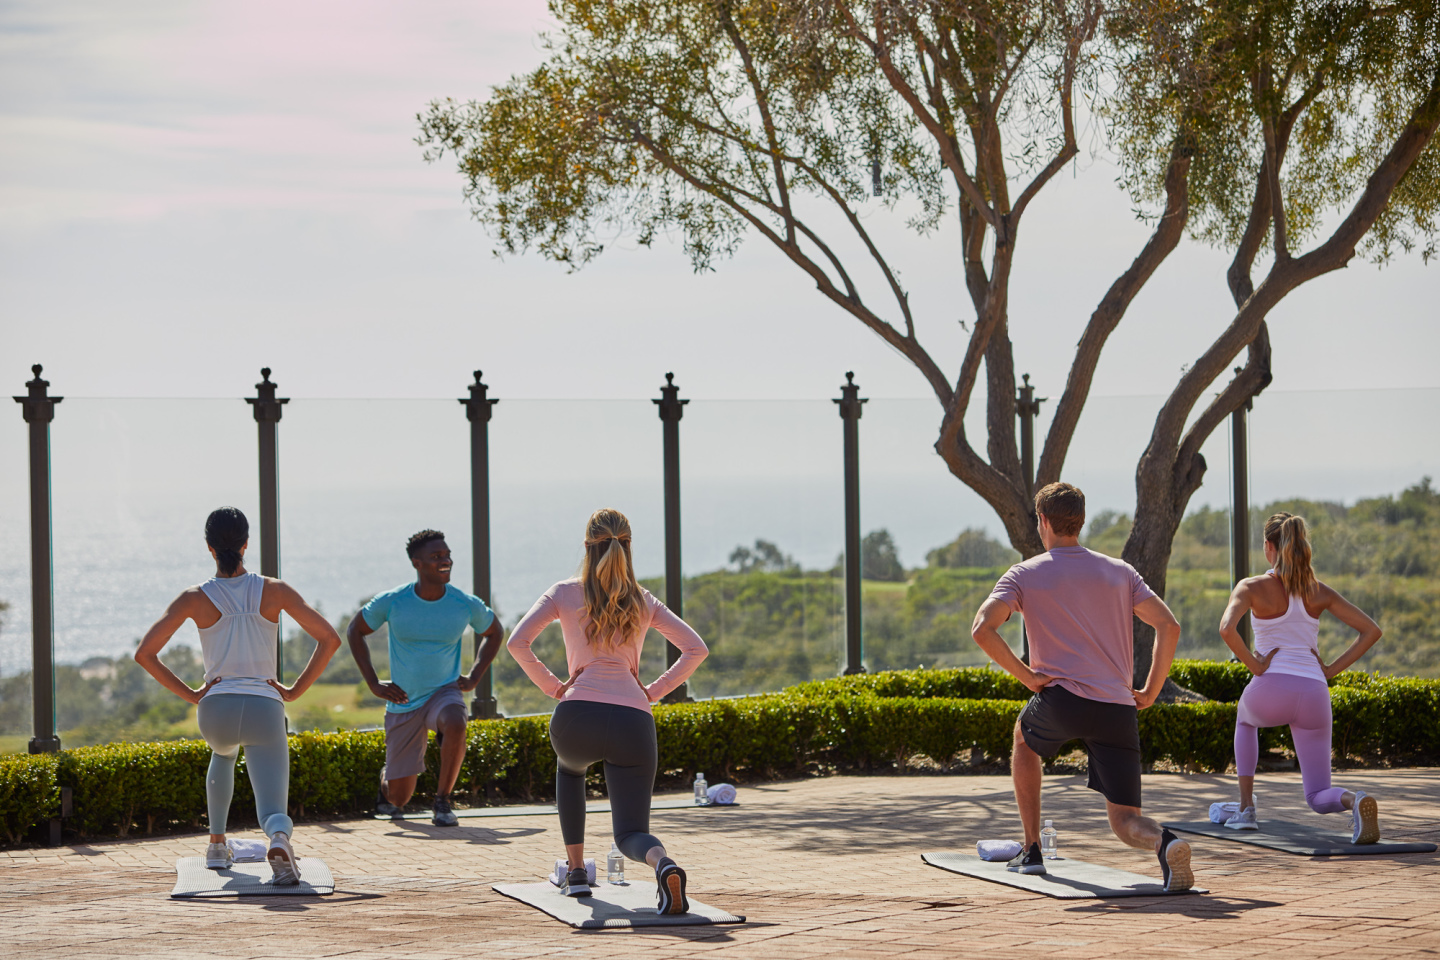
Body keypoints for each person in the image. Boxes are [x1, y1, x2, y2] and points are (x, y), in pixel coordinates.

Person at [970, 482, 1193, 891]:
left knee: (1023, 738)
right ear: (1081, 521)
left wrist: (1029, 678)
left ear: (1043, 522)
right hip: (1117, 707)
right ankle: (1166, 842)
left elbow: (982, 630)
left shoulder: (1024, 573)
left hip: (1062, 700)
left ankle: (1032, 848)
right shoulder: (1120, 572)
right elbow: (1169, 625)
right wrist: (1151, 690)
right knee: (1125, 822)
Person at [506, 508, 708, 913]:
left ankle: (577, 872)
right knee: (631, 832)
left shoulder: (564, 592)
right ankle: (663, 864)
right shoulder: (643, 600)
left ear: (587, 547)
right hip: (634, 721)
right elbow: (695, 649)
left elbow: (517, 642)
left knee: (570, 769)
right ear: (628, 548)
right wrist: (653, 691)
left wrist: (554, 687)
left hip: (577, 715)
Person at [134, 507, 341, 884]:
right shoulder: (274, 590)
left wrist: (194, 695)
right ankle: (278, 838)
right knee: (272, 806)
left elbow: (145, 654)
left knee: (223, 753)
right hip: (264, 706)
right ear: (246, 544)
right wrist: (294, 690)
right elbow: (330, 638)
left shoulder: (193, 598)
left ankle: (216, 844)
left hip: (216, 711)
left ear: (209, 548)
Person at [1218, 512, 1384, 842]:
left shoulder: (1251, 586)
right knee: (1318, 795)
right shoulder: (1318, 591)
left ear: (1269, 546)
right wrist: (1329, 670)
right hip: (1314, 694)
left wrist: (1255, 665)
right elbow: (1371, 631)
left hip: (1271, 688)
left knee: (1245, 721)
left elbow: (1226, 628)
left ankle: (1246, 809)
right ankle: (1355, 800)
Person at [348, 529, 505, 826]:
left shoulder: (463, 603)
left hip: (443, 693)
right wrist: (373, 682)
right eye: (436, 557)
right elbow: (355, 630)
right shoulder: (393, 600)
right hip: (403, 700)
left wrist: (473, 677)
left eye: (447, 555)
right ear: (416, 563)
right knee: (399, 798)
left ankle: (442, 801)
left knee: (457, 721)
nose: (445, 561)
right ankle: (387, 780)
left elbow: (495, 632)